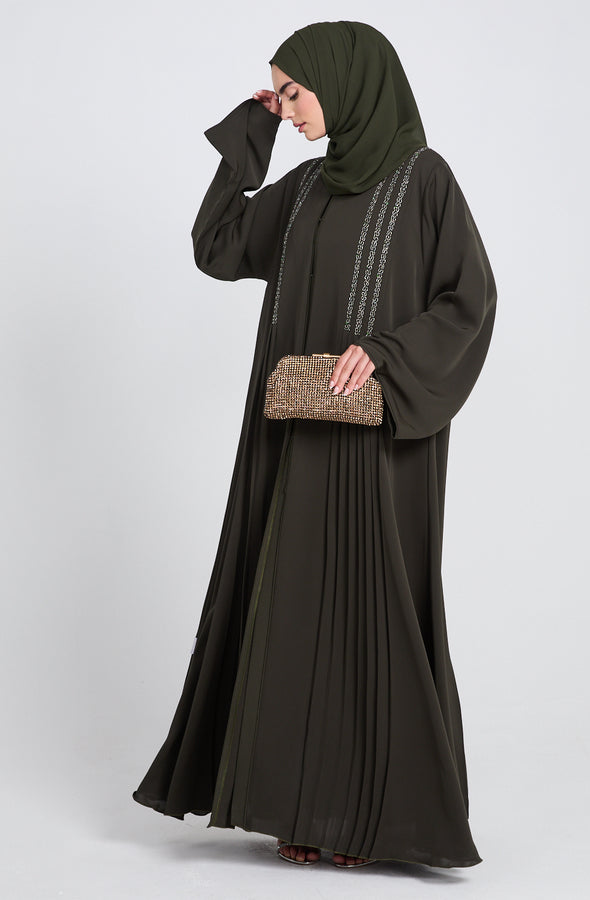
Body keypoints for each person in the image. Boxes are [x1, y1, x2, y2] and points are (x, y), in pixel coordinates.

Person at [132, 20, 497, 871]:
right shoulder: (303, 190)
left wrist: (390, 351)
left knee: (373, 610)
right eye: (280, 93)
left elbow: (469, 300)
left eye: (294, 92)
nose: (289, 106)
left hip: (380, 442)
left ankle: (372, 819)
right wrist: (249, 136)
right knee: (292, 605)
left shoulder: (425, 180)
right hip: (293, 438)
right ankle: (298, 809)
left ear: (347, 81)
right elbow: (218, 246)